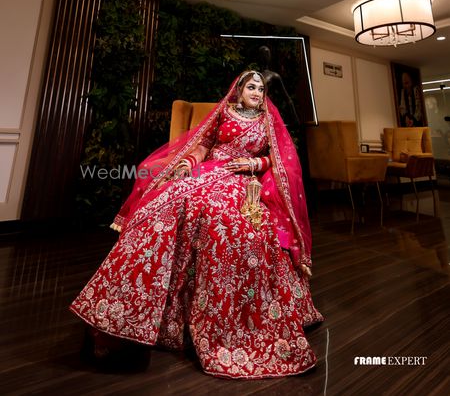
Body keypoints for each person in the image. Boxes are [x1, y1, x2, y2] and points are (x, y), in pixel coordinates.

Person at [70, 71, 322, 379]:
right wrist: (187, 165)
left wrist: (254, 163)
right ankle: (126, 313)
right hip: (207, 172)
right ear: (239, 90)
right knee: (160, 208)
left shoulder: (268, 120)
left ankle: (217, 319)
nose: (257, 92)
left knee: (224, 220)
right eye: (251, 87)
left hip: (242, 181)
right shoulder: (224, 112)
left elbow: (278, 157)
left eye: (261, 88)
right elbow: (202, 145)